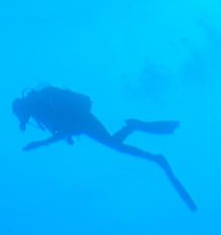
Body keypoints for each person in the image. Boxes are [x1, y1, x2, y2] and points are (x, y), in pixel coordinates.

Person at [11, 86, 197, 211]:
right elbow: (63, 128)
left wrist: (41, 143)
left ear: (23, 108)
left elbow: (65, 127)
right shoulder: (40, 110)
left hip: (83, 122)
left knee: (115, 145)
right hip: (82, 123)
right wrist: (49, 139)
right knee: (114, 144)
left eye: (20, 115)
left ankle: (147, 146)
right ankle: (140, 136)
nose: (22, 119)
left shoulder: (42, 108)